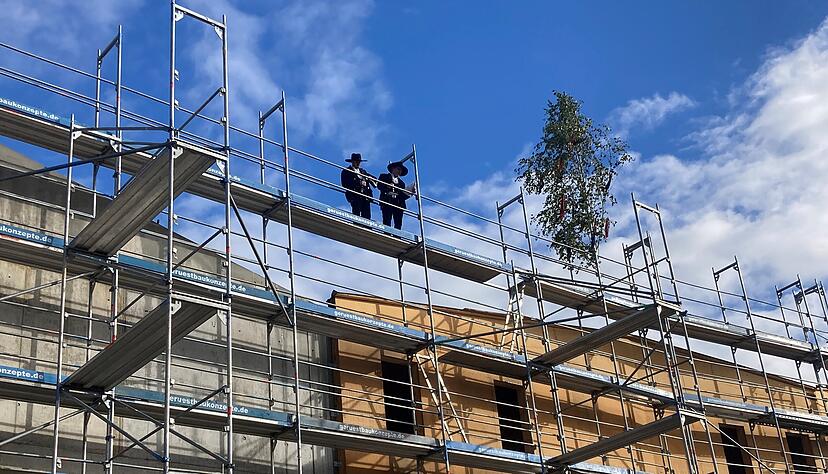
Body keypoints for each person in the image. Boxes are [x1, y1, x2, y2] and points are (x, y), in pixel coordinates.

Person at [378, 160, 413, 229]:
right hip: (387, 201)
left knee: (398, 222)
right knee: (387, 220)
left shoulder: (401, 183)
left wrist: (409, 192)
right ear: (392, 169)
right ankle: (387, 234)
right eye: (398, 169)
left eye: (401, 170)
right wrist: (388, 187)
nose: (399, 171)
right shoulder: (384, 176)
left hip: (398, 203)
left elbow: (402, 194)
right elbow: (379, 186)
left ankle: (397, 236)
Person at [340, 153, 375, 219]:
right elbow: (344, 184)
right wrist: (358, 183)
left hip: (365, 196)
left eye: (359, 161)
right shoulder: (347, 171)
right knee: (356, 214)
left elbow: (374, 180)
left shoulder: (363, 171)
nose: (358, 163)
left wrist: (369, 179)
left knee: (367, 215)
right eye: (356, 161)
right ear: (352, 161)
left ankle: (367, 228)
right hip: (355, 195)